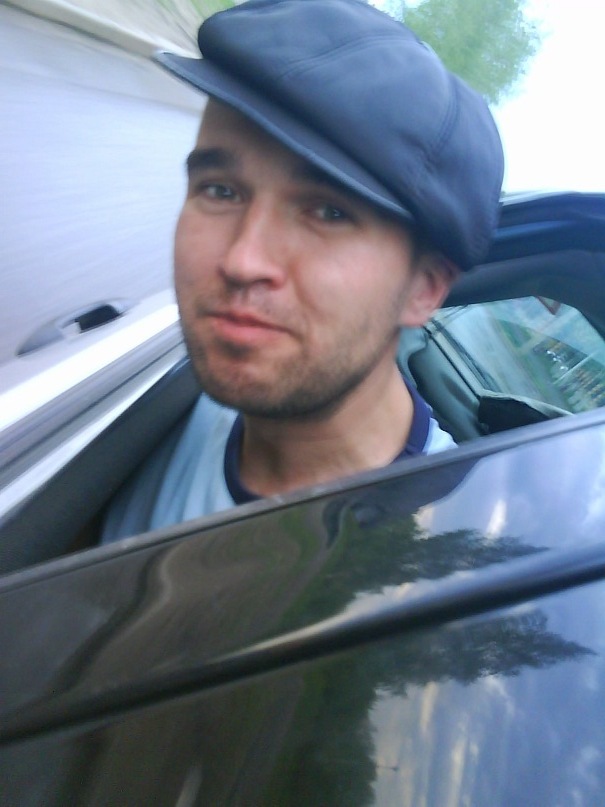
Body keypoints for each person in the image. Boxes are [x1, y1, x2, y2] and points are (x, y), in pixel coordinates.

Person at [102, 0, 504, 542]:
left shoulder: (437, 559)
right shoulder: (152, 420)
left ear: (424, 289)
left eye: (329, 213)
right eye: (220, 191)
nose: (241, 261)